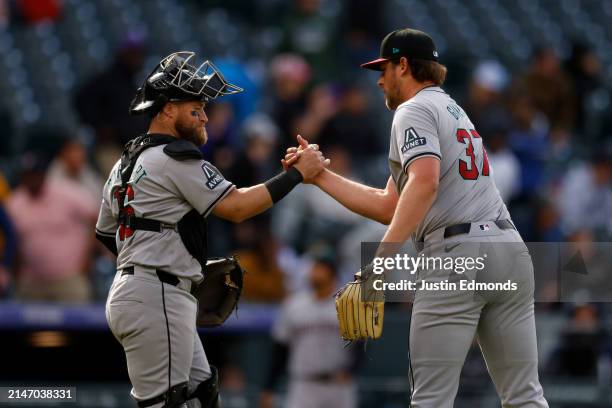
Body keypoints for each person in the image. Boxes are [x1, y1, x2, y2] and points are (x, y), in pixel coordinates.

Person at [284, 28, 549, 407]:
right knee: (525, 396)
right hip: (508, 250)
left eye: (384, 69)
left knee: (431, 400)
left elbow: (423, 185)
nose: (379, 80)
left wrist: (379, 264)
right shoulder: (452, 108)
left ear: (403, 66)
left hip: (458, 256)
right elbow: (392, 204)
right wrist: (320, 176)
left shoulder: (413, 109)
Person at [94, 51, 327, 408]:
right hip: (156, 294)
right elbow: (237, 207)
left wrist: (155, 261)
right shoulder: (174, 157)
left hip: (145, 290)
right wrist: (297, 174)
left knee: (202, 393)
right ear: (168, 108)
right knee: (167, 403)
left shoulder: (125, 162)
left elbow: (106, 233)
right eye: (195, 107)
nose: (205, 115)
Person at [260, 247, 358, 408]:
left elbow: (361, 345)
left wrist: (351, 370)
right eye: (314, 267)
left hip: (338, 384)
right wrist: (269, 387)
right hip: (304, 383)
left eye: (320, 268)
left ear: (332, 273)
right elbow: (280, 349)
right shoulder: (294, 305)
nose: (314, 272)